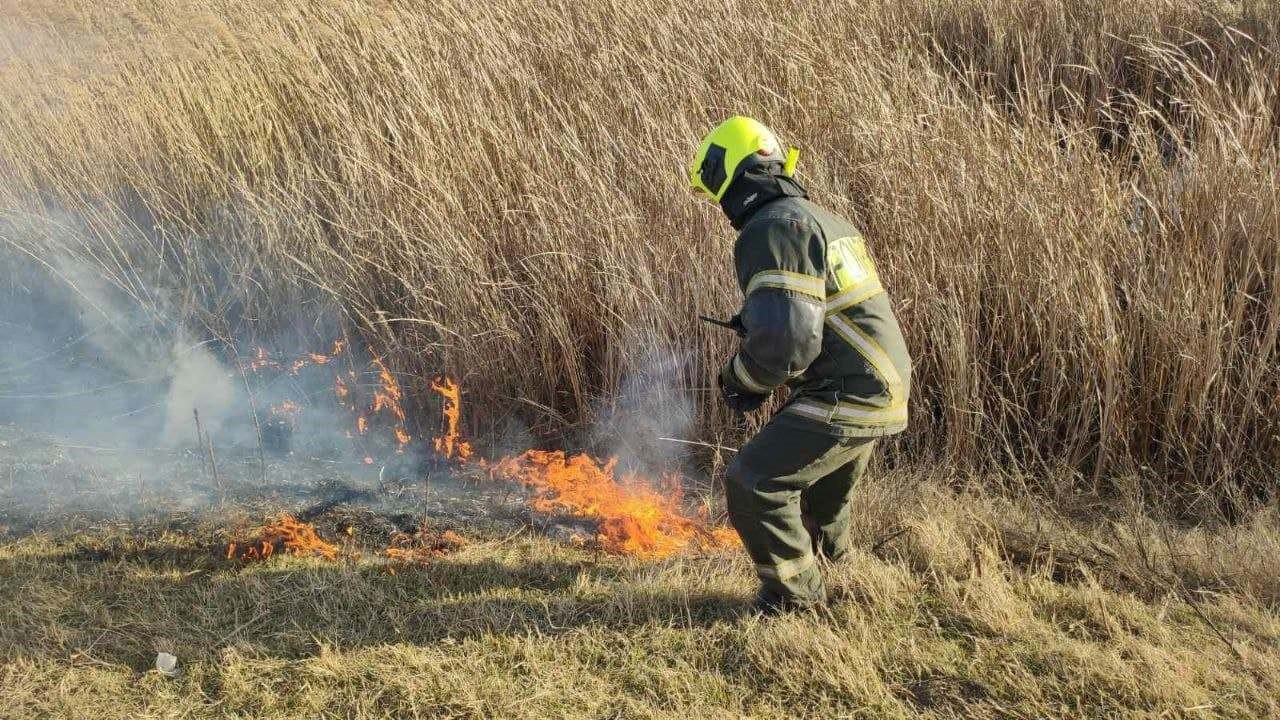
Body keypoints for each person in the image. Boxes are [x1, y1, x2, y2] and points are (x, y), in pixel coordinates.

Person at [689, 116, 913, 613]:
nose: (722, 211)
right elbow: (814, 314)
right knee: (820, 498)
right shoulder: (818, 218)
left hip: (848, 390)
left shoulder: (772, 227)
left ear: (732, 177)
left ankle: (794, 602)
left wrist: (739, 382)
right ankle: (838, 575)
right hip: (882, 382)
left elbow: (786, 343)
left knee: (755, 482)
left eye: (716, 195)